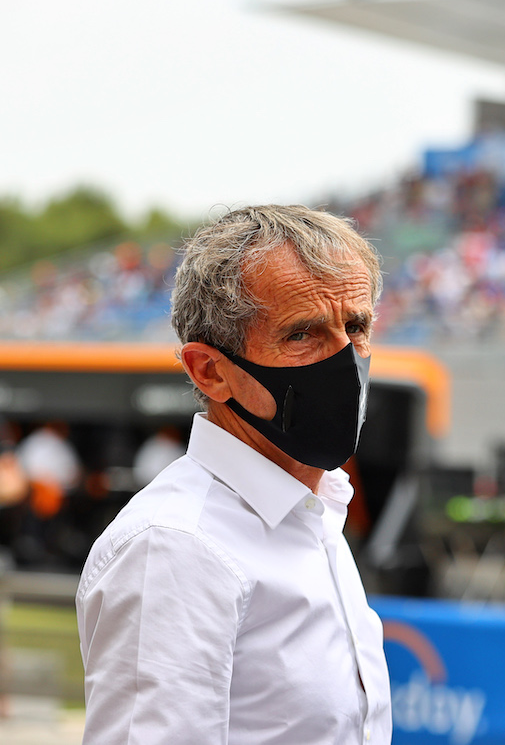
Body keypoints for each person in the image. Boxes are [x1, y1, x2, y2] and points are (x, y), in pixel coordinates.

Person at [76, 205, 392, 744]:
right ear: (210, 370)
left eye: (356, 327)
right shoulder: (178, 546)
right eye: (302, 335)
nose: (346, 359)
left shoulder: (313, 511)